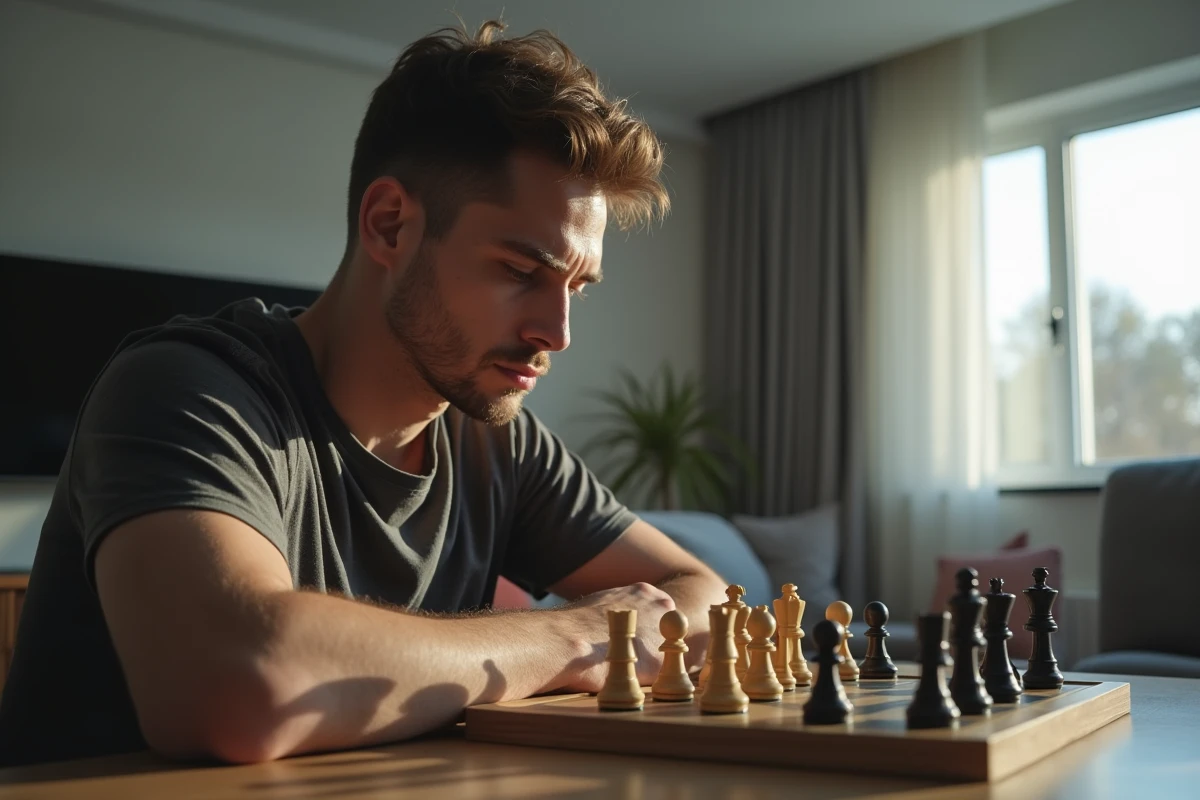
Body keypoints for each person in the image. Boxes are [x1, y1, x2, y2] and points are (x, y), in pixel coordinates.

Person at [0, 20, 727, 767]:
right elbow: (240, 691)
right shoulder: (187, 388)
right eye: (519, 271)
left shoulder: (496, 436)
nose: (558, 332)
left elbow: (700, 590)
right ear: (390, 225)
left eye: (577, 286)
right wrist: (576, 634)